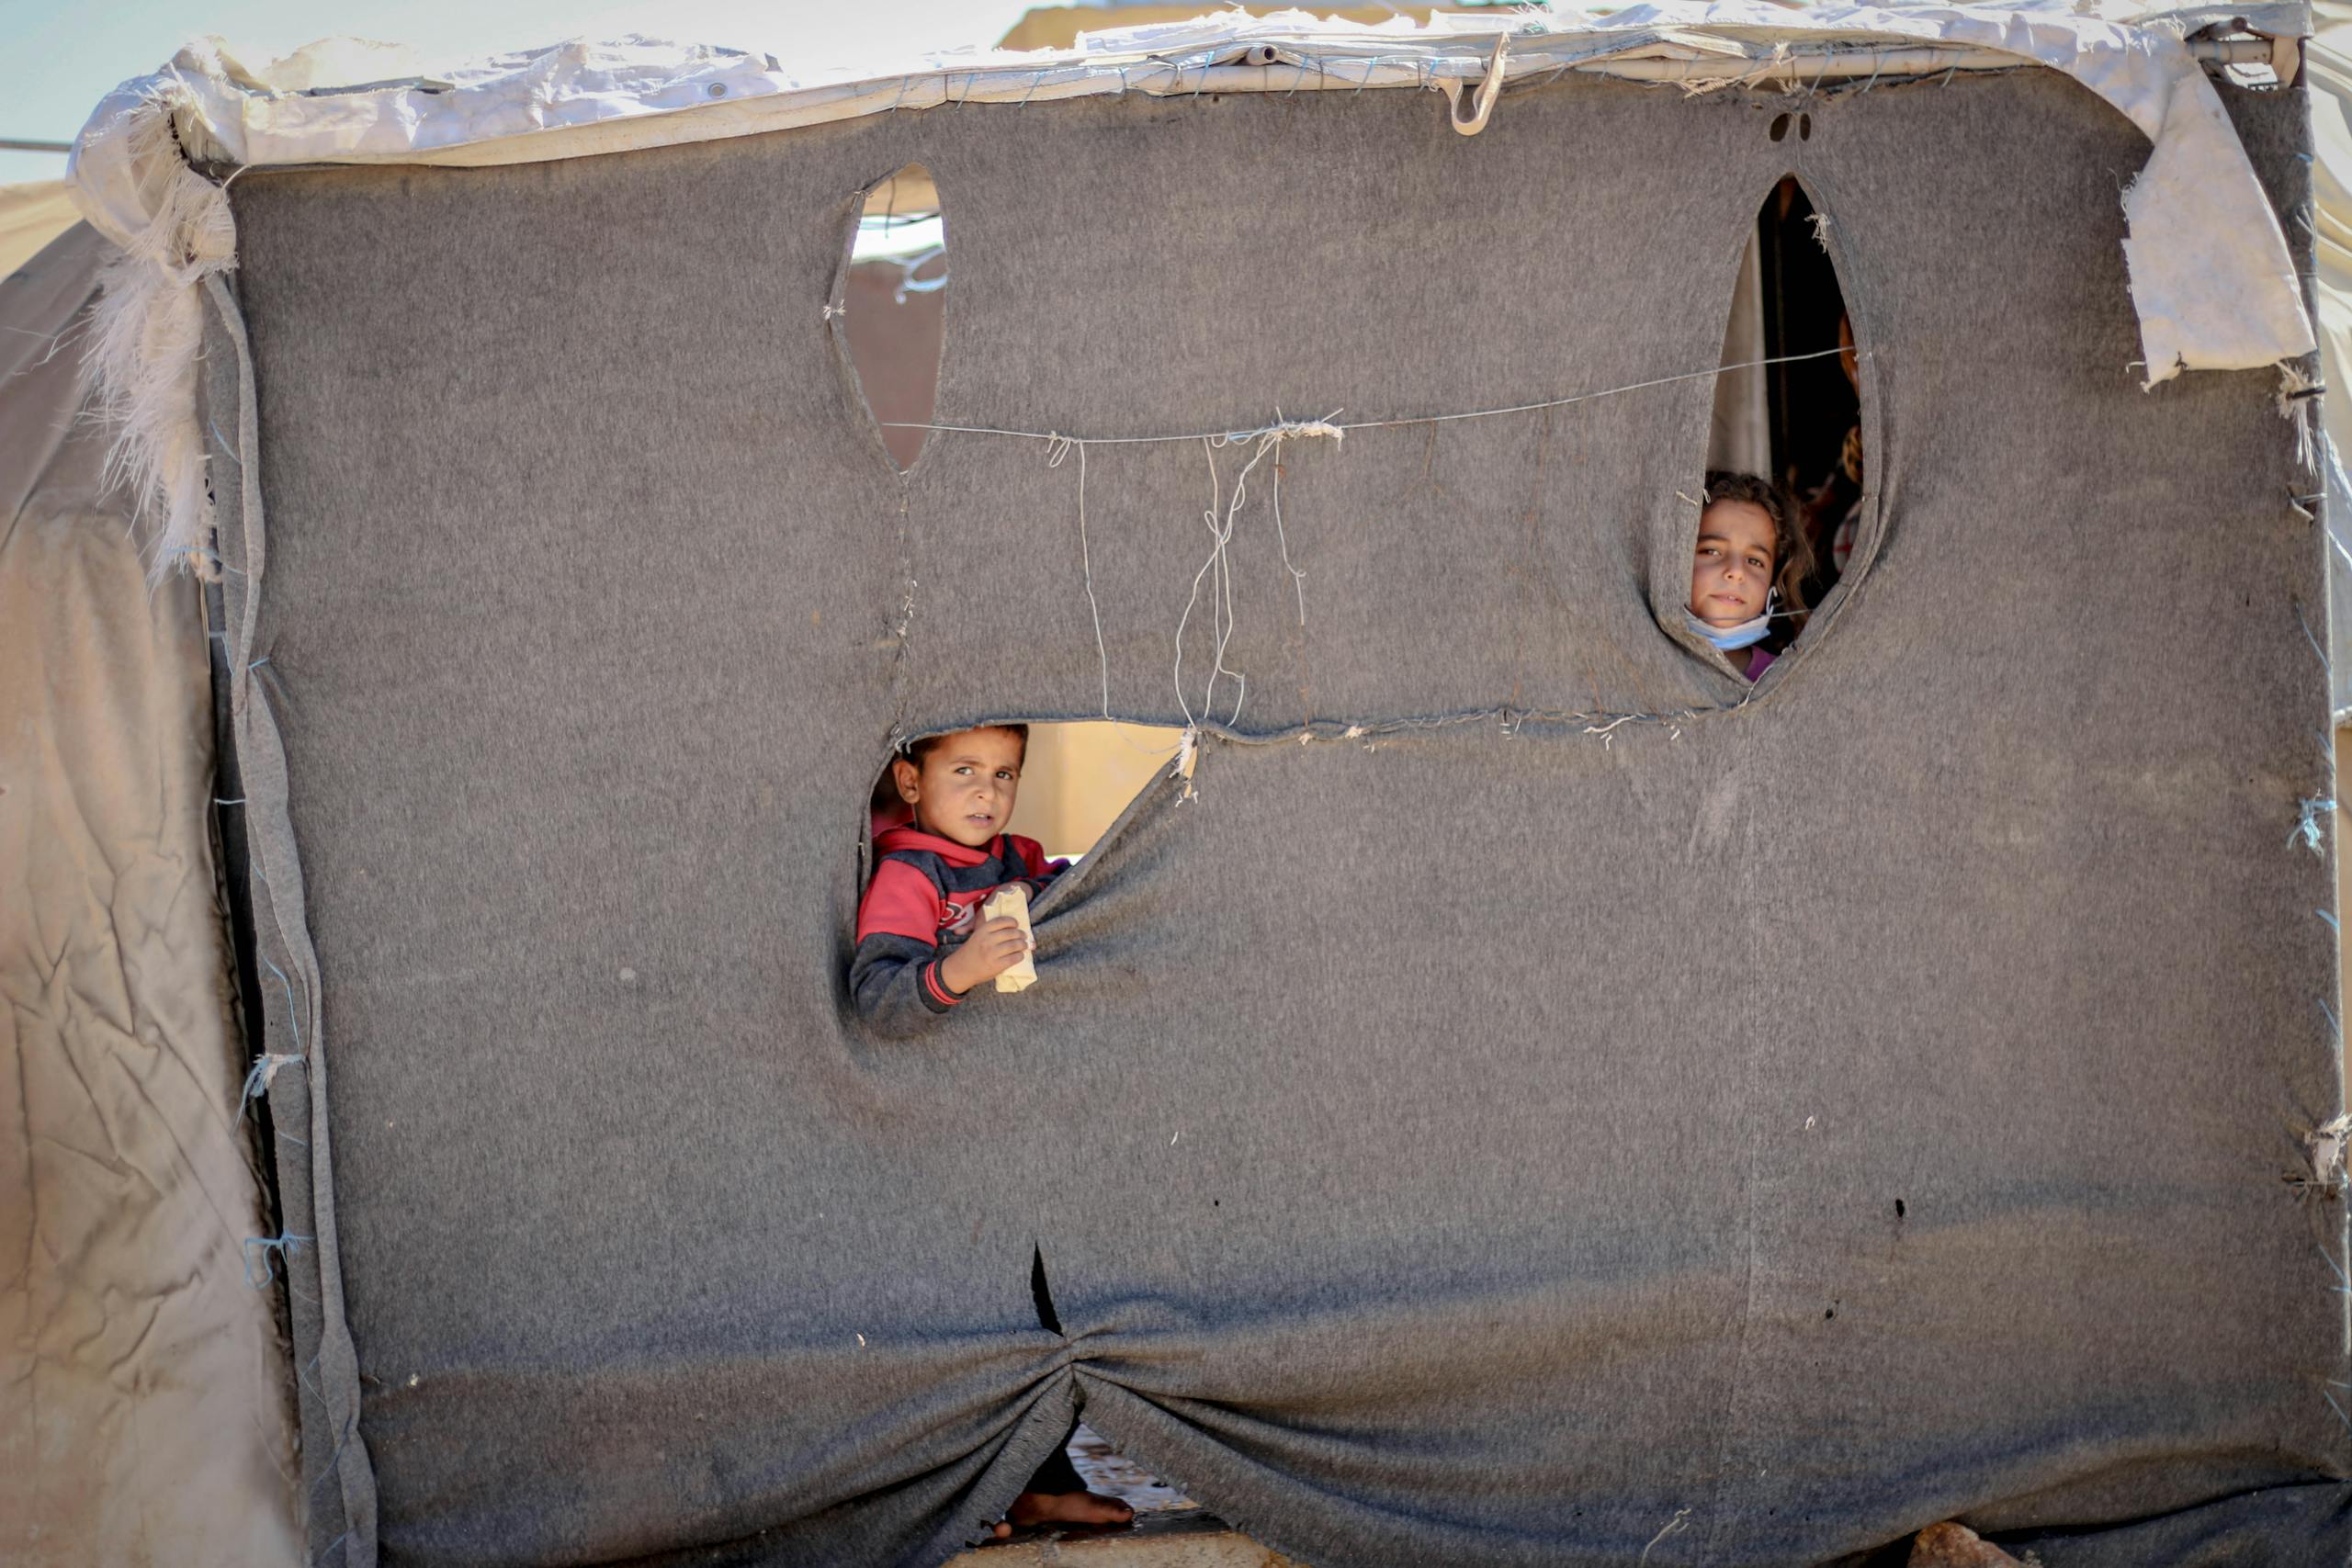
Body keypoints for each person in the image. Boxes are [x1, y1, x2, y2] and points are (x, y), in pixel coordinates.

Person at [848, 722, 1136, 1537]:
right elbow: (875, 998)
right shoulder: (910, 871)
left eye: (1004, 773)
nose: (987, 793)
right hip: (941, 1144)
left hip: (1026, 1134)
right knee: (972, 1323)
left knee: (1054, 1307)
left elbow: (1086, 890)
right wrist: (958, 969)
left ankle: (1041, 1479)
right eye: (964, 771)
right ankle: (968, 1491)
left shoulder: (1018, 859)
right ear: (910, 783)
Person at [1686, 470, 1812, 682]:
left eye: (1755, 561)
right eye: (1712, 551)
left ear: (1773, 583)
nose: (1736, 572)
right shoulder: (1634, 663)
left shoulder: (1786, 682)